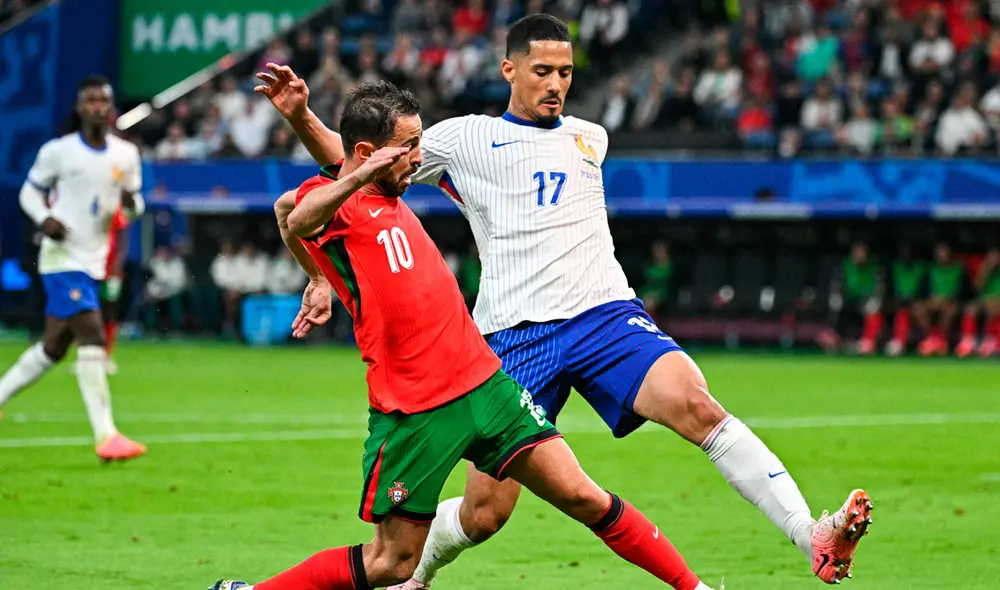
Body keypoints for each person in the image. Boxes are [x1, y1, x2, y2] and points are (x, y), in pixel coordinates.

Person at [254, 15, 873, 587]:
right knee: (484, 514)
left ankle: (809, 533)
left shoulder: (589, 137)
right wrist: (300, 117)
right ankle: (415, 574)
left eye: (566, 73)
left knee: (696, 404)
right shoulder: (464, 139)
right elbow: (361, 161)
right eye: (543, 71)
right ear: (509, 71)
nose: (556, 84)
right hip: (510, 336)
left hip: (604, 314)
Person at [211, 80, 716, 590]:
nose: (418, 157)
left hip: (487, 385)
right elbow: (292, 215)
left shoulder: (386, 186)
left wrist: (319, 275)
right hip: (416, 408)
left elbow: (327, 173)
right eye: (407, 147)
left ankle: (694, 589)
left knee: (585, 496)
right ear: (368, 155)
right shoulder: (337, 200)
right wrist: (321, 267)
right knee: (393, 563)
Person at [0, 75, 146, 461]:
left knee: (54, 347)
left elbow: (134, 206)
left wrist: (133, 204)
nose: (97, 106)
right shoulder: (59, 151)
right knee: (92, 332)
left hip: (94, 258)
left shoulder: (126, 155)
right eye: (90, 100)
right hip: (61, 256)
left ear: (111, 108)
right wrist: (43, 217)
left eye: (103, 100)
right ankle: (106, 436)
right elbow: (29, 190)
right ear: (80, 108)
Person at [914, 243, 968, 356]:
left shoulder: (958, 269)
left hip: (952, 302)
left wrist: (947, 299)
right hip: (933, 301)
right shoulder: (930, 269)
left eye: (945, 252)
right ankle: (931, 339)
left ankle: (942, 341)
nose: (942, 255)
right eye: (940, 252)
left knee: (950, 310)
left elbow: (964, 291)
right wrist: (932, 300)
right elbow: (922, 291)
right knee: (918, 308)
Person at [101, 208, 131, 374]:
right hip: (89, 269)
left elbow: (123, 238)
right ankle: (86, 355)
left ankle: (107, 355)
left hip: (111, 270)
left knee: (109, 312)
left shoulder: (113, 209)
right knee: (85, 312)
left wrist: (118, 264)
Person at [956, 247, 1000, 357]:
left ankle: (992, 340)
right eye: (991, 257)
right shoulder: (985, 269)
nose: (994, 259)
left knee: (994, 307)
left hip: (997, 302)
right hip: (984, 301)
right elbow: (977, 288)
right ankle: (968, 341)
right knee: (971, 309)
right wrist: (986, 271)